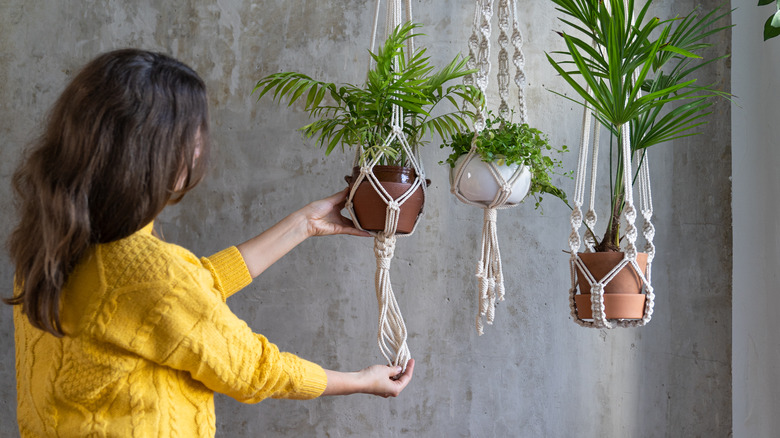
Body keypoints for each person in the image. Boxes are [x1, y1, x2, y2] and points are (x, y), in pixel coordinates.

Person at [5, 48, 414, 437]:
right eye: (192, 135)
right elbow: (251, 367)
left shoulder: (52, 247)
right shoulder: (145, 271)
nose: (200, 148)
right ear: (153, 150)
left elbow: (178, 296)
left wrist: (303, 225)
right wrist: (363, 380)